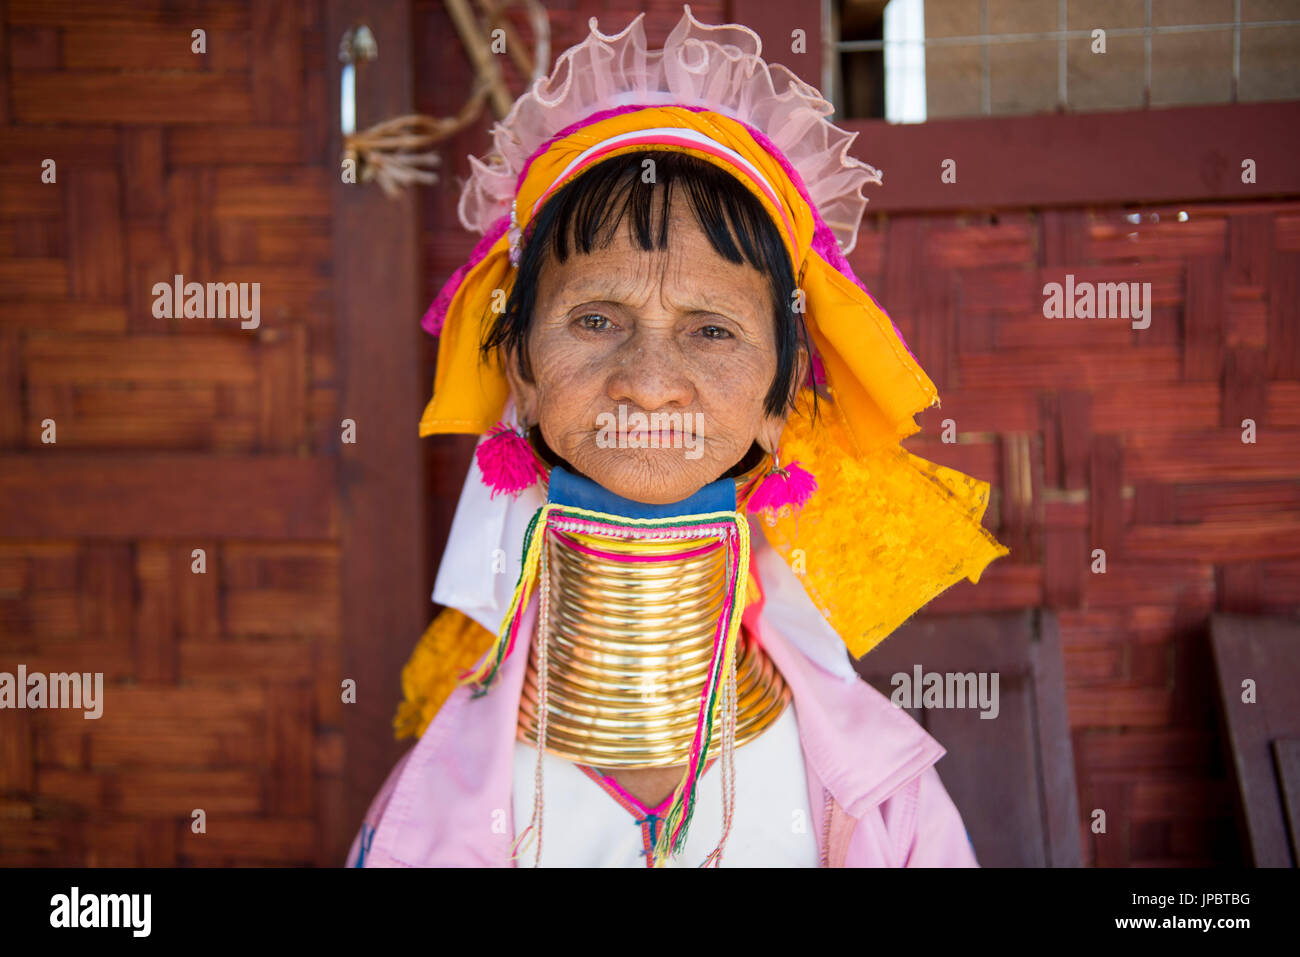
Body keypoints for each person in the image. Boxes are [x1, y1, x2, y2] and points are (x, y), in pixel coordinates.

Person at [347, 4, 1009, 868]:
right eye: (594, 318)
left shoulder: (881, 802)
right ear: (521, 374)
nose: (649, 381)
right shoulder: (429, 814)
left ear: (781, 401)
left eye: (712, 330)